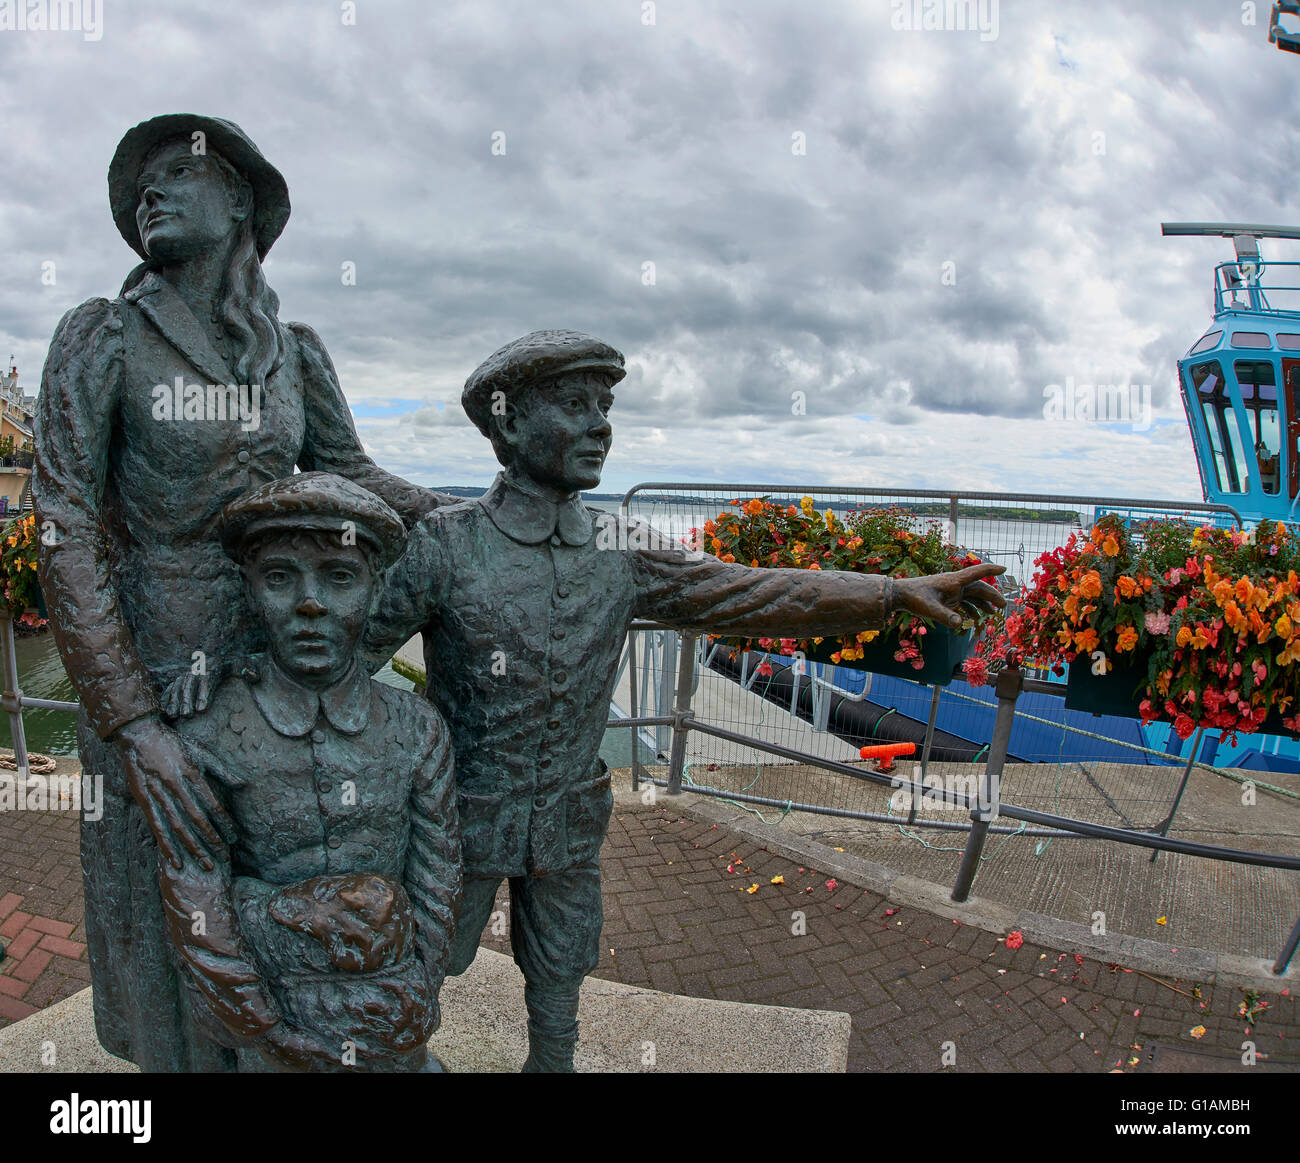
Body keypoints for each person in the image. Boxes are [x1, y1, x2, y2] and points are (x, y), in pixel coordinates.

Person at [360, 329, 1006, 1072]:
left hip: (568, 816)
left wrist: (891, 593)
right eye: (575, 404)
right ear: (507, 422)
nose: (601, 424)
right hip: (465, 817)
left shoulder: (622, 550)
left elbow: (752, 591)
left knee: (563, 965)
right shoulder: (447, 544)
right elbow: (353, 662)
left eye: (604, 405)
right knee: (428, 958)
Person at [34, 115, 451, 1070]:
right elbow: (61, 524)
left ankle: (291, 1044)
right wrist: (132, 721)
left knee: (278, 878)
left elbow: (360, 478)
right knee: (162, 910)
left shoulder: (294, 352)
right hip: (152, 668)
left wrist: (474, 514)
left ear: (240, 203)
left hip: (278, 663)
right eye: (139, 183)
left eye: (177, 172)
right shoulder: (103, 336)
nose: (151, 191)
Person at [159, 473, 459, 1072]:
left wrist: (417, 995)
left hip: (394, 1014)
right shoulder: (209, 733)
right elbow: (195, 890)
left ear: (375, 593)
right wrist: (266, 1030)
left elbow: (438, 877)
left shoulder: (416, 727)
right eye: (279, 577)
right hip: (273, 1014)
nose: (310, 602)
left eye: (339, 578)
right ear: (250, 591)